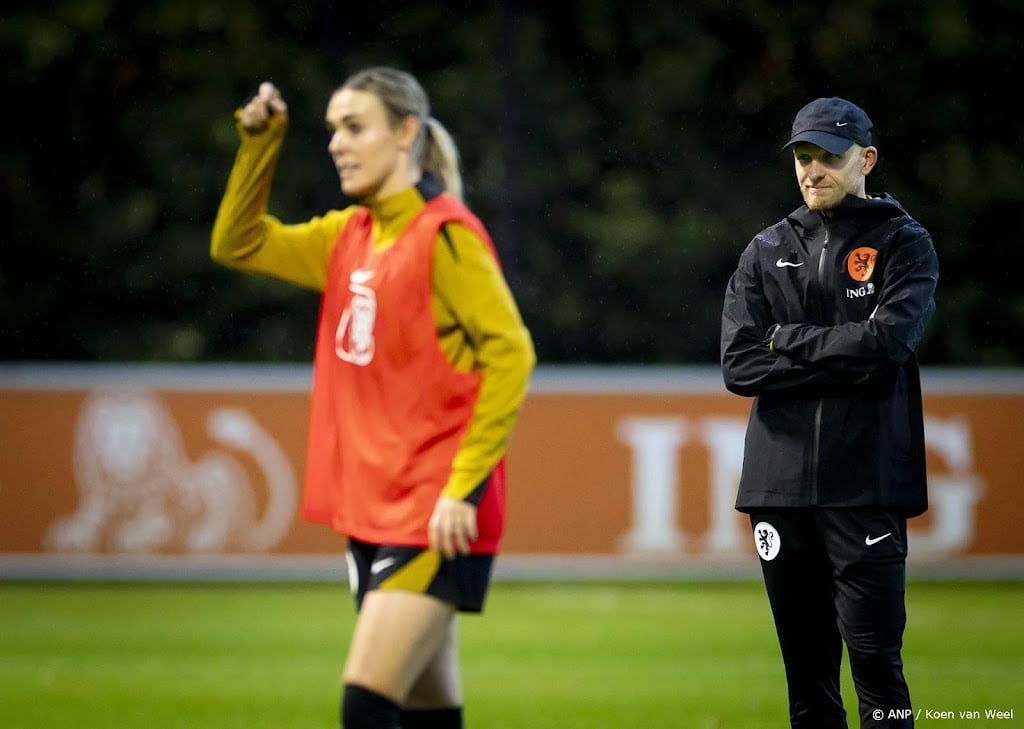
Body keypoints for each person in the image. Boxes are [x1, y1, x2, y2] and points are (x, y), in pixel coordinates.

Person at [210, 67, 536, 729]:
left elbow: (512, 353)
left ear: (406, 133)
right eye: (331, 128)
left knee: (365, 702)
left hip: (432, 514)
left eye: (354, 127)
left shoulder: (447, 234)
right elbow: (237, 242)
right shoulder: (348, 235)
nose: (335, 142)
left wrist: (460, 486)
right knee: (427, 708)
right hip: (373, 507)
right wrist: (259, 144)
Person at [720, 97, 939, 728]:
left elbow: (888, 343)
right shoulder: (765, 248)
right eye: (804, 158)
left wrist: (785, 337)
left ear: (866, 159)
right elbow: (740, 366)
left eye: (829, 158)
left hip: (865, 484)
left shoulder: (904, 243)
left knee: (877, 668)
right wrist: (844, 352)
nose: (813, 171)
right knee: (807, 678)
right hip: (779, 489)